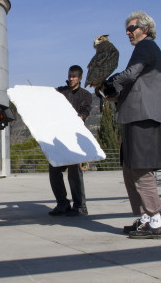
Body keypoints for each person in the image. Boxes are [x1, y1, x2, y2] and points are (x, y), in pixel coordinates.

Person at [101, 11, 161, 239]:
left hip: (143, 117)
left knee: (140, 169)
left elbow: (130, 74)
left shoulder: (145, 47)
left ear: (145, 29)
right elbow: (136, 83)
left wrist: (111, 84)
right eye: (127, 29)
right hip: (134, 115)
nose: (128, 32)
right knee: (130, 170)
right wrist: (116, 96)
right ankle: (145, 219)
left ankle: (155, 222)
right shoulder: (143, 50)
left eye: (132, 28)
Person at [48, 65, 93, 217]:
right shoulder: (60, 92)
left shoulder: (86, 95)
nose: (71, 79)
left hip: (74, 141)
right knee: (54, 172)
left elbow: (85, 111)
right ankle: (62, 203)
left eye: (74, 76)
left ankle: (80, 206)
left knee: (74, 174)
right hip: (58, 140)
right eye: (70, 76)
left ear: (80, 78)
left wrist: (78, 118)